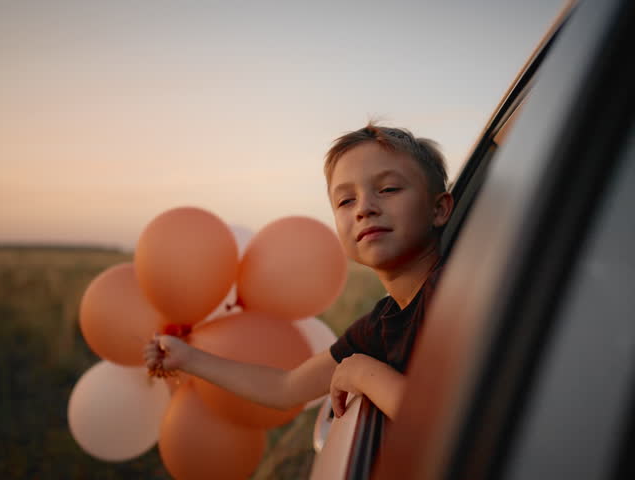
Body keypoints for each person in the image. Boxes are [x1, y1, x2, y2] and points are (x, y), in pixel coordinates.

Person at [145, 123, 453, 420]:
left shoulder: (454, 295)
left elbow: (442, 422)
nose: (364, 208)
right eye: (346, 200)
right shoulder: (380, 324)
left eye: (387, 189)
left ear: (438, 209)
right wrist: (188, 357)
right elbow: (286, 388)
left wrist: (362, 373)